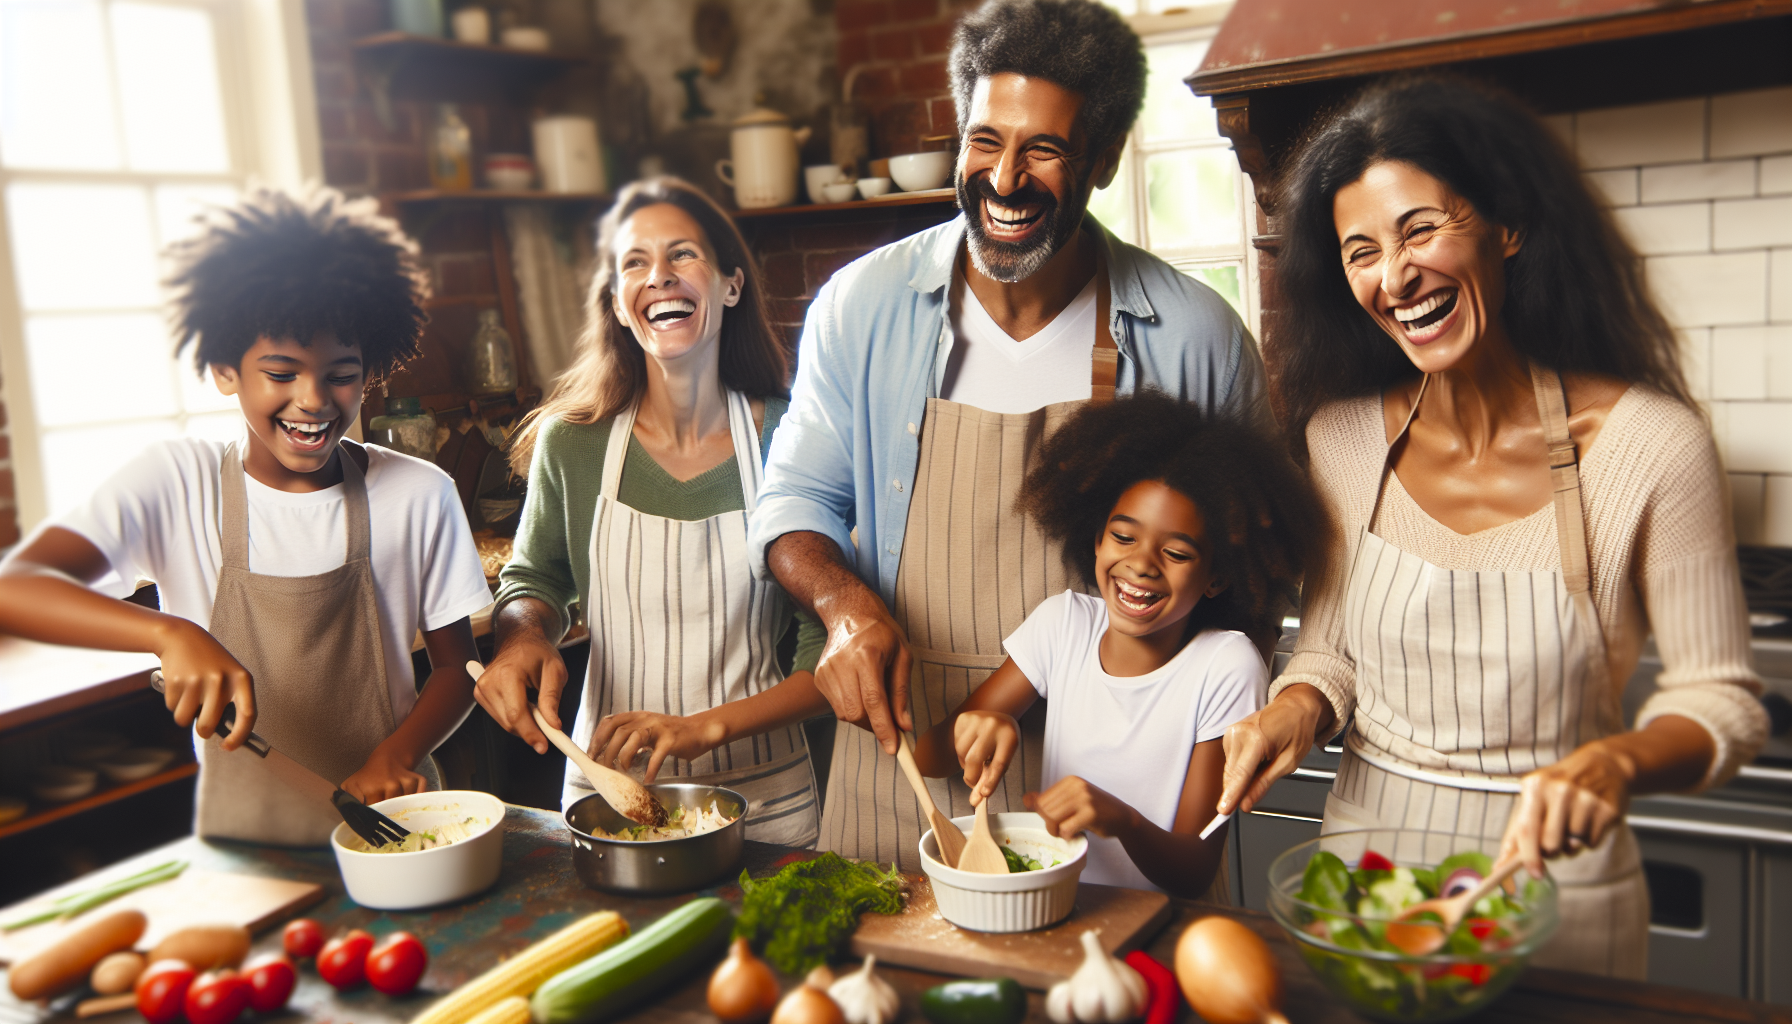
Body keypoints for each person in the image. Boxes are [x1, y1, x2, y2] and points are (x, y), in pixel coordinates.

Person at [1215, 76, 1769, 976]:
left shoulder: (1652, 446)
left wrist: (1620, 762)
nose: (1394, 276)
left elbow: (1722, 701)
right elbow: (1330, 651)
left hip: (1558, 899)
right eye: (1361, 251)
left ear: (1505, 226)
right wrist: (1293, 707)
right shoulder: (1344, 441)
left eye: (1420, 230)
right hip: (1365, 884)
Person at [751, 0, 1269, 872]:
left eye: (1045, 150)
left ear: (1102, 161)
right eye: (985, 141)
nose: (1003, 178)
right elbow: (796, 501)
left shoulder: (1198, 338)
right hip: (907, 756)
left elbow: (1254, 574)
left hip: (1111, 790)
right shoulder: (862, 305)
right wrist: (843, 608)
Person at [0, 187, 492, 845]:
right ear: (224, 369)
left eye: (340, 373)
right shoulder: (176, 481)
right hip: (245, 850)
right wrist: (169, 635)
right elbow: (16, 591)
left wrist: (396, 756)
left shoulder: (418, 491)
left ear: (371, 370)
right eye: (281, 372)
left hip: (401, 832)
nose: (313, 400)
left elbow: (458, 669)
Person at [475, 177, 827, 847]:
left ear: (730, 284)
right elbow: (535, 581)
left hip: (766, 801)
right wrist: (524, 638)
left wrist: (705, 728)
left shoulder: (789, 439)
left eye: (683, 255)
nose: (659, 276)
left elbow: (830, 653)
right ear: (618, 303)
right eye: (635, 263)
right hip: (609, 798)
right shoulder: (573, 443)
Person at [908, 393, 1324, 895]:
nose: (1143, 563)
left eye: (1175, 552)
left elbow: (1194, 872)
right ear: (1097, 540)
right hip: (1049, 907)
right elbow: (929, 761)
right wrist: (976, 727)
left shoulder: (1225, 665)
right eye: (1123, 538)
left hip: (1153, 926)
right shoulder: (1062, 625)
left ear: (1216, 577)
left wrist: (1120, 818)